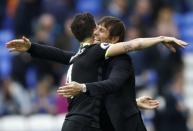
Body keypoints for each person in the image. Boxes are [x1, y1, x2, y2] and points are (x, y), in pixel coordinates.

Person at [6, 13, 187, 131]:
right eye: (97, 29)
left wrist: (161, 38)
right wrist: (31, 47)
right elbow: (58, 54)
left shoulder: (117, 59)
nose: (98, 34)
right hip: (89, 123)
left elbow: (114, 84)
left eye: (102, 30)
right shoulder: (85, 55)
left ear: (114, 39)